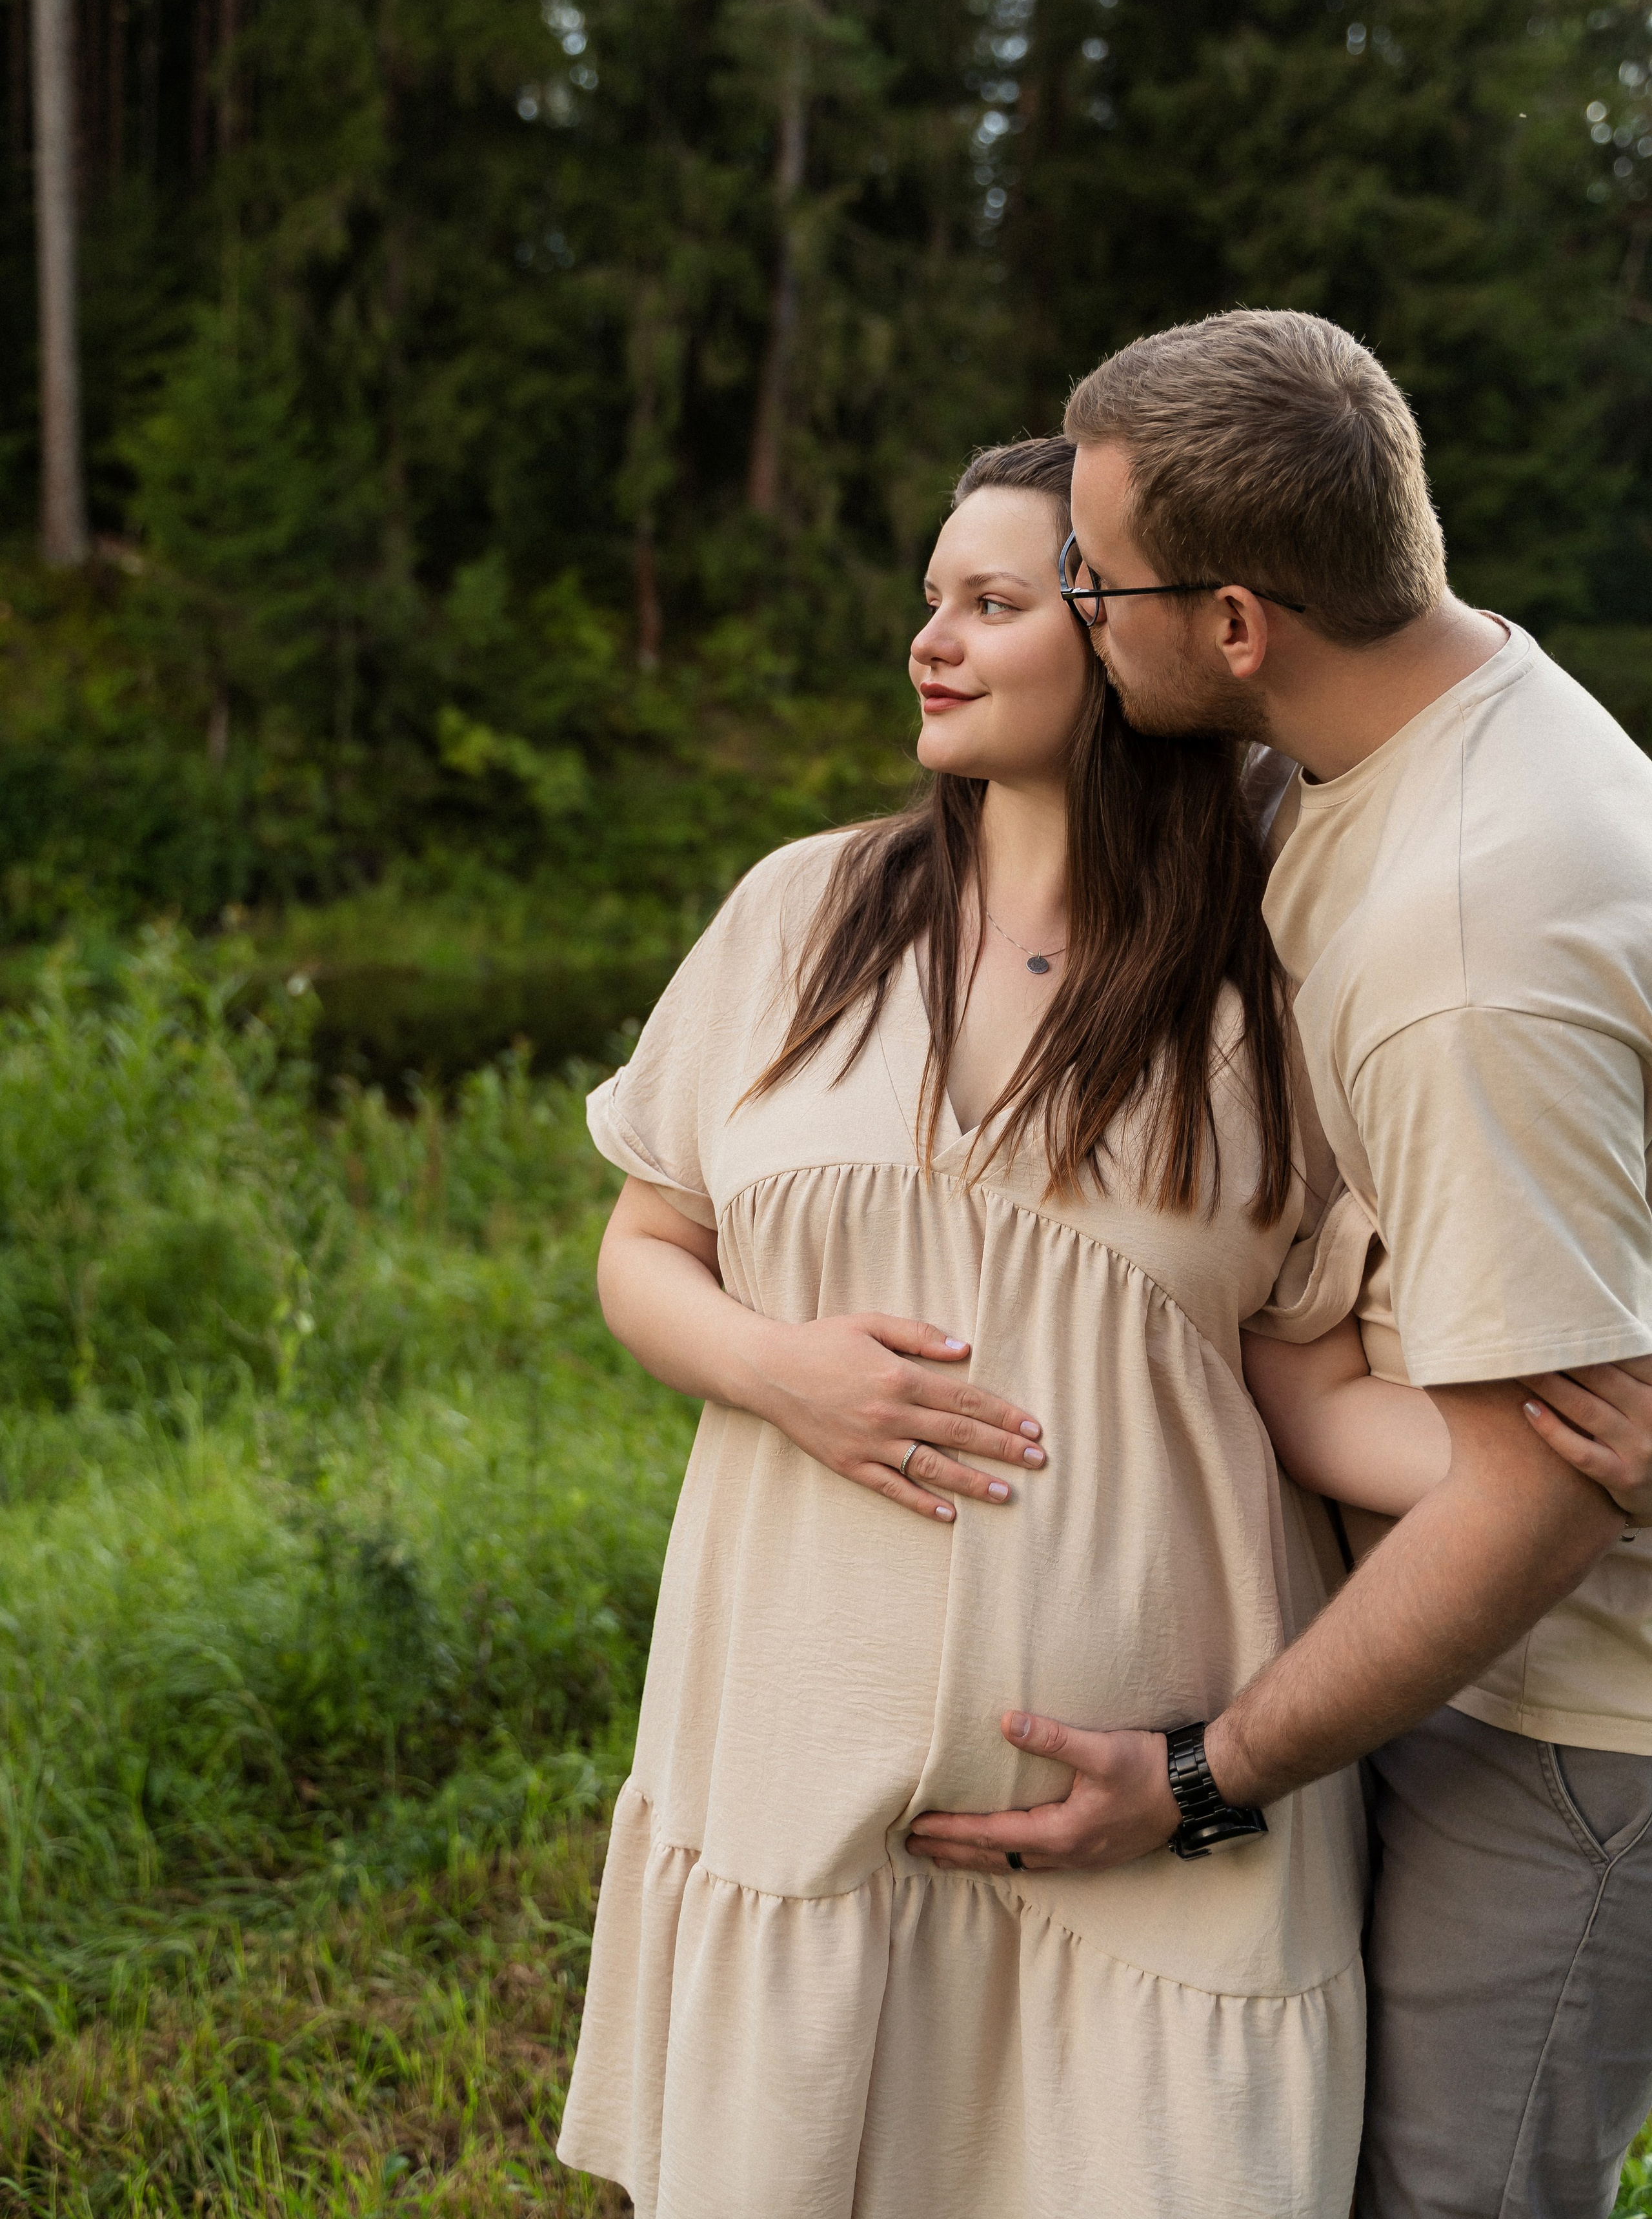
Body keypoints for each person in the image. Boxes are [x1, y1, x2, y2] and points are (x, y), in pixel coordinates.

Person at [556, 434, 1391, 2218]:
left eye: (994, 604)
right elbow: (643, 1248)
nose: (931, 640)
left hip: (1159, 1831)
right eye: (933, 599)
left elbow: (1307, 1391)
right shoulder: (803, 912)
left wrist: (1564, 1461)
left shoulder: (1277, 980)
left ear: (1128, 646)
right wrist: (777, 1371)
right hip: (799, 1760)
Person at [906, 314, 1652, 2219]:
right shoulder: (1394, 732)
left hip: (1575, 1713)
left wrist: (1202, 1772)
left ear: (1240, 619)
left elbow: (1549, 1494)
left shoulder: (1463, 952)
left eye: (1095, 577)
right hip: (1454, 1630)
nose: (1070, 608)